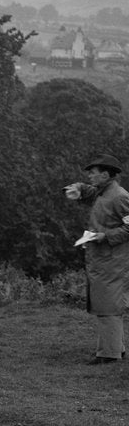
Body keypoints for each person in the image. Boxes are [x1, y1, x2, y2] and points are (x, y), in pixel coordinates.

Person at [64, 154, 129, 364]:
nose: (90, 176)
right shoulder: (104, 191)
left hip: (113, 260)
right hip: (103, 259)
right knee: (105, 303)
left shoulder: (119, 196)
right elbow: (91, 192)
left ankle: (109, 354)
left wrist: (105, 236)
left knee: (108, 305)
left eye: (93, 173)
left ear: (105, 174)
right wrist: (79, 189)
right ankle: (115, 348)